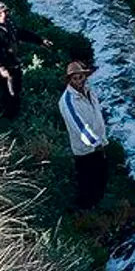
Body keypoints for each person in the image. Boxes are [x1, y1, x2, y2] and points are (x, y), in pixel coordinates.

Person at [0, 1, 52, 118]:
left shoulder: (9, 24)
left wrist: (40, 41)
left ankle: (16, 112)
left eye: (5, 12)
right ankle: (10, 118)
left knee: (17, 89)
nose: (3, 15)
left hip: (14, 62)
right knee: (9, 93)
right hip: (4, 67)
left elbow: (21, 33)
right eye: (0, 13)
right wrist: (2, 69)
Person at [58, 61, 109, 210]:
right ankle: (85, 212)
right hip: (85, 149)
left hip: (99, 143)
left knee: (102, 177)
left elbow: (97, 113)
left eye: (80, 77)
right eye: (75, 79)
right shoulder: (67, 101)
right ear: (69, 80)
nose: (78, 81)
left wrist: (102, 139)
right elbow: (79, 126)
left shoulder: (89, 92)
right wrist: (96, 143)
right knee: (87, 183)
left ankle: (97, 207)